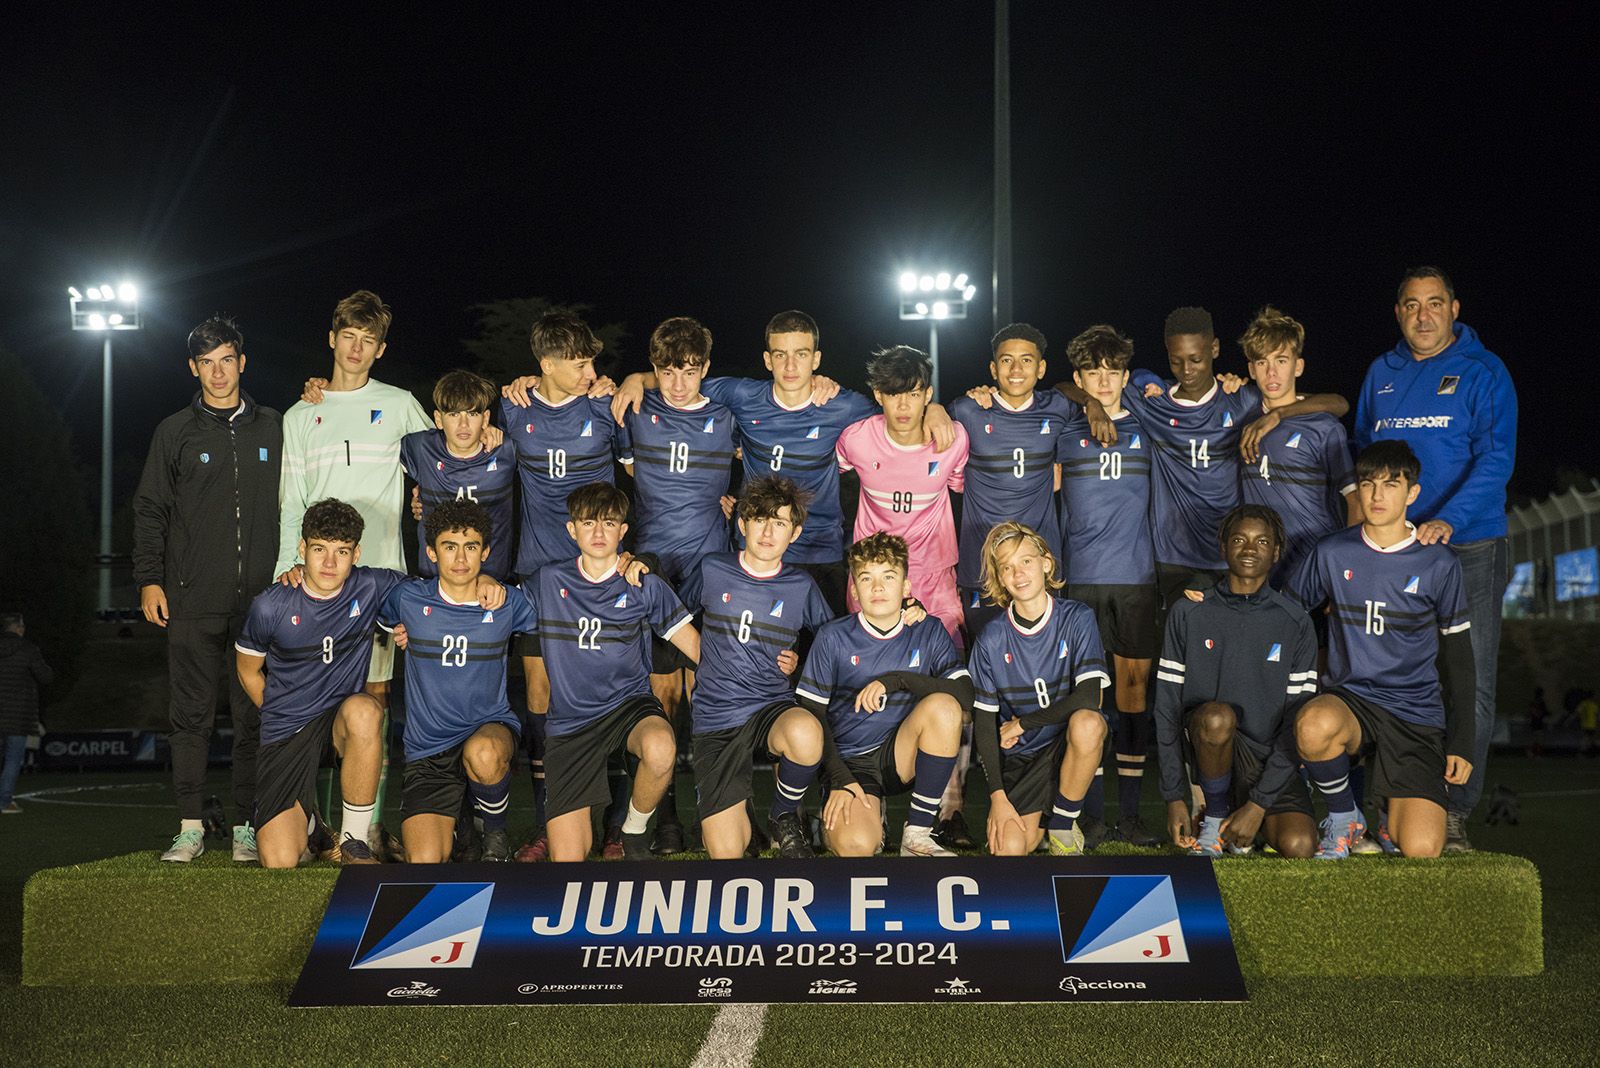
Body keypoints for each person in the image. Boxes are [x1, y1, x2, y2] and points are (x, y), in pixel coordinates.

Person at [609, 310, 956, 616]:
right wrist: (637, 378)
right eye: (781, 355)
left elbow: (897, 406)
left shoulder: (843, 405)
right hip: (757, 551)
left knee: (823, 653)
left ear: (816, 359)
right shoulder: (743, 396)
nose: (791, 366)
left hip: (820, 551)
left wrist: (934, 408)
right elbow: (684, 379)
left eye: (801, 354)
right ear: (767, 359)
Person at [237, 499, 499, 868]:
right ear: (302, 550)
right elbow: (248, 670)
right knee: (280, 860)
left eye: (341, 552)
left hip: (340, 724)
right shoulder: (271, 605)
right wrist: (279, 714)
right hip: (287, 729)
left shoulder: (373, 585)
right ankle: (313, 826)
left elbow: (440, 588)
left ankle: (354, 841)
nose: (330, 563)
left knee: (365, 710)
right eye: (319, 550)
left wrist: (482, 578)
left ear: (356, 552)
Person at [1354, 267, 1517, 851]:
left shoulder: (1484, 372)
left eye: (1435, 304)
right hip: (1396, 552)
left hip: (1470, 547)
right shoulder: (1383, 373)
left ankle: (1455, 810)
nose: (1423, 316)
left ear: (1454, 308)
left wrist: (1446, 520)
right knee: (1389, 674)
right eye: (1411, 305)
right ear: (1398, 312)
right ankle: (1381, 804)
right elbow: (1363, 457)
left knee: (1466, 676)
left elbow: (1496, 459)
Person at [278, 292, 434, 850]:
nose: (356, 348)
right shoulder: (301, 413)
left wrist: (428, 500)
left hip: (381, 581)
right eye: (349, 336)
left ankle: (362, 830)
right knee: (316, 702)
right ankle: (319, 828)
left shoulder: (398, 403)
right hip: (315, 583)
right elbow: (292, 500)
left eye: (368, 341)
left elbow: (441, 459)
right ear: (332, 338)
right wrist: (286, 567)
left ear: (381, 349)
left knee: (374, 699)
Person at [132, 316, 281, 862]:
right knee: (190, 717)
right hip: (191, 598)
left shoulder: (276, 426)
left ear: (242, 362)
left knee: (253, 717)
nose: (218, 373)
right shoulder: (175, 432)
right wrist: (150, 579)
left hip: (262, 605)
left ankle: (245, 827)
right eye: (206, 363)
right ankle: (191, 827)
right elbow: (150, 509)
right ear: (193, 368)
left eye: (226, 360)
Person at [1287, 441, 1476, 859]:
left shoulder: (1439, 562)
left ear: (1412, 494)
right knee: (1313, 725)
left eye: (1391, 485)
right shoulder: (1333, 551)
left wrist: (1462, 741)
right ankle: (1344, 817)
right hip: (1351, 701)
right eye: (1368, 484)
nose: (1376, 496)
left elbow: (1460, 661)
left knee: (1422, 849)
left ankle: (1391, 813)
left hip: (1414, 713)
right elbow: (1286, 615)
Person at [835, 345, 975, 848]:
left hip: (935, 582)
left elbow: (960, 485)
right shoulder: (856, 438)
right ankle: (871, 797)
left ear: (927, 395)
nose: (903, 406)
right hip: (872, 583)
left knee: (948, 694)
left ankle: (949, 809)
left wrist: (943, 413)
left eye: (914, 395)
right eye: (893, 395)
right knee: (866, 685)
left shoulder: (952, 440)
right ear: (878, 396)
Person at [500, 310, 626, 861]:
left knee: (612, 693)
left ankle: (617, 826)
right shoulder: (511, 407)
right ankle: (550, 823)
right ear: (545, 365)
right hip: (536, 579)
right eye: (578, 363)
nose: (590, 371)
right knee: (541, 698)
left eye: (592, 361)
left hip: (601, 578)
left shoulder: (605, 405)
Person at [614, 316, 737, 854]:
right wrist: (633, 379)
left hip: (714, 565)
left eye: (690, 371)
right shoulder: (635, 410)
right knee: (661, 693)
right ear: (655, 369)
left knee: (713, 689)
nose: (679, 382)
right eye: (667, 371)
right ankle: (663, 817)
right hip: (655, 566)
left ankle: (724, 805)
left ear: (706, 370)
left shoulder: (730, 415)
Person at [532, 483, 700, 862]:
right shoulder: (547, 581)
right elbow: (492, 610)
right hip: (571, 722)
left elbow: (698, 650)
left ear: (623, 531)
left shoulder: (642, 583)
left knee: (660, 746)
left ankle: (634, 832)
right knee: (568, 861)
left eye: (608, 523)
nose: (597, 533)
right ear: (571, 529)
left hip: (628, 706)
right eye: (588, 523)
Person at [679, 477, 834, 859]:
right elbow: (674, 618)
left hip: (770, 707)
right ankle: (741, 813)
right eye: (760, 519)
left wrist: (799, 665)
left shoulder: (800, 585)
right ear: (743, 523)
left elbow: (834, 640)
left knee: (806, 732)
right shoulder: (713, 568)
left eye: (779, 523)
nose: (768, 531)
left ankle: (783, 818)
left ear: (794, 533)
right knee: (727, 853)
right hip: (717, 717)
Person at [1153, 505, 1319, 858]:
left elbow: (1297, 723)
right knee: (1216, 717)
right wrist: (1173, 796)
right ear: (1223, 546)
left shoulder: (1295, 621)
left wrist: (1258, 804)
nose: (1249, 549)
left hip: (1266, 760)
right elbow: (1166, 708)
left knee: (1300, 845)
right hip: (1208, 752)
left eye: (1262, 542)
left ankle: (1246, 821)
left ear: (1276, 552)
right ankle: (1213, 816)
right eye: (1239, 539)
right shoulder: (1190, 611)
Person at [795, 533, 972, 857]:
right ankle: (850, 816)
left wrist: (897, 681)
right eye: (867, 578)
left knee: (945, 707)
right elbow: (813, 717)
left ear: (906, 587)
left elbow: (964, 693)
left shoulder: (928, 630)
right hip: (851, 761)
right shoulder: (833, 637)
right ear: (854, 590)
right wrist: (839, 779)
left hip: (901, 753)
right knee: (857, 846)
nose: (877, 588)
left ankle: (917, 833)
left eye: (888, 577)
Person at [379, 500, 536, 863]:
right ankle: (462, 821)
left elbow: (561, 616)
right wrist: (399, 630)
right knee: (425, 862)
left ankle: (494, 838)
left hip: (488, 731)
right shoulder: (408, 599)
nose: (461, 558)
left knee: (482, 753)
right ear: (432, 552)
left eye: (471, 547)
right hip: (428, 753)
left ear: (486, 552)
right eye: (450, 547)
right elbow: (369, 607)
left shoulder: (506, 602)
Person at [1056, 325, 1162, 847]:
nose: (1103, 380)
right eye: (1092, 372)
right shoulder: (1063, 429)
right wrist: (1087, 406)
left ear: (1125, 374)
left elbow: (1154, 384)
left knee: (1134, 695)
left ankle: (1132, 813)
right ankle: (1089, 814)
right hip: (1081, 581)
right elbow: (1053, 390)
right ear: (1079, 377)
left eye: (1112, 371)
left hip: (1137, 580)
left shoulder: (1147, 422)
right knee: (1088, 699)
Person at [967, 523, 1111, 857]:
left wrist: (1022, 723)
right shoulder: (990, 639)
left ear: (1046, 563)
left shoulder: (1077, 618)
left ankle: (1061, 821)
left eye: (1026, 562)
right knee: (1008, 850)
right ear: (1000, 578)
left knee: (1088, 723)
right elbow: (986, 725)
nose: (1019, 574)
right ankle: (1045, 819)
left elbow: (1090, 698)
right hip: (1025, 757)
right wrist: (998, 798)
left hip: (1067, 743)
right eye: (1007, 567)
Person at [947, 322, 1073, 639]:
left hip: (1039, 565)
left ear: (1041, 368)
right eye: (1006, 360)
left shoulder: (1058, 408)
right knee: (985, 659)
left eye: (1027, 360)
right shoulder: (967, 411)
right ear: (993, 368)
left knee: (1042, 658)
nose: (1016, 368)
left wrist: (1095, 404)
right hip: (981, 566)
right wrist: (936, 411)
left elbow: (1082, 391)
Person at [1236, 307, 1359, 585]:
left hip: (1314, 567)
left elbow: (1355, 501)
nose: (1271, 372)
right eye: (1262, 363)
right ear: (1251, 370)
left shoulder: (1324, 427)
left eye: (1281, 360)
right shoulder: (1242, 417)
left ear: (1298, 366)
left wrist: (1347, 568)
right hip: (1260, 572)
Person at [399, 371, 518, 580]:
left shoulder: (506, 449)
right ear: (438, 419)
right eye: (454, 415)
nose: (463, 425)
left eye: (472, 414)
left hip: (492, 581)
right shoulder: (420, 447)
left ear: (486, 418)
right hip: (434, 581)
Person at [0, 613, 52, 815]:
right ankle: (4, 802)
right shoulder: (28, 649)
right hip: (18, 714)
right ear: (19, 628)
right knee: (13, 758)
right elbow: (46, 676)